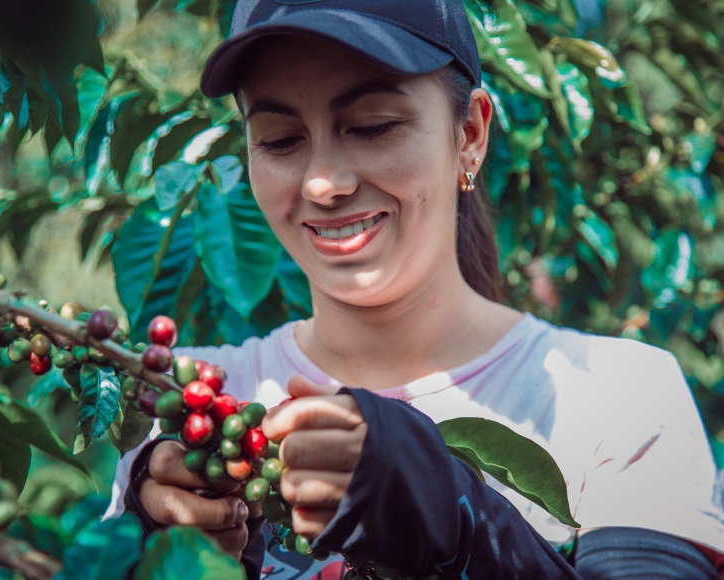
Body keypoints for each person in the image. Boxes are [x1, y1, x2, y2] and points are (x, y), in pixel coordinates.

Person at [105, 0, 724, 578]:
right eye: (280, 140)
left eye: (373, 126)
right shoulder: (189, 408)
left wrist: (450, 514)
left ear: (470, 135)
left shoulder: (621, 400)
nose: (323, 182)